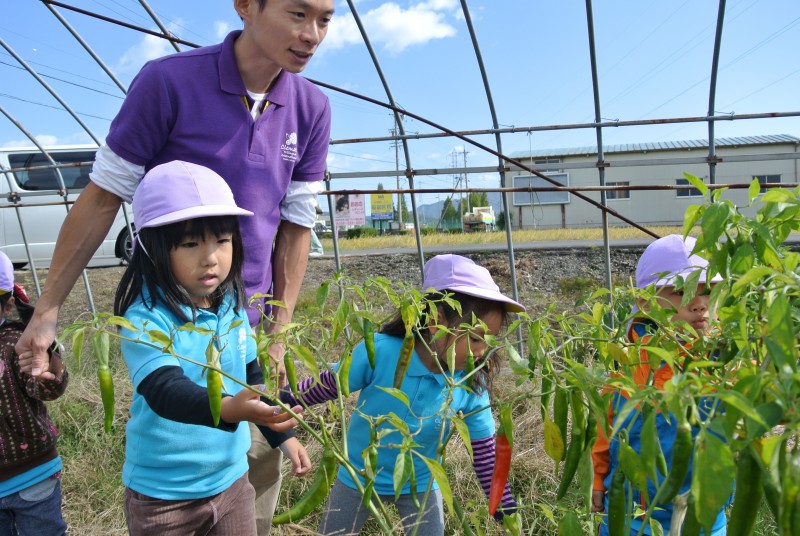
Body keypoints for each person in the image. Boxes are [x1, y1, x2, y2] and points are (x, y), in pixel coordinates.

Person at [17, 0, 335, 529]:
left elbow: (295, 227)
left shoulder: (311, 108)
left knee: (247, 491)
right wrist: (47, 307)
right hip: (175, 324)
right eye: (297, 14)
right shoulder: (168, 83)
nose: (312, 35)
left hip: (243, 331)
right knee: (179, 452)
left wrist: (278, 332)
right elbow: (103, 197)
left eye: (324, 19)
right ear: (247, 7)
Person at [114, 161, 309, 535]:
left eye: (222, 241)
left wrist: (281, 435)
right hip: (165, 496)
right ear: (153, 249)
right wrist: (228, 408)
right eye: (190, 244)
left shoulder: (232, 307)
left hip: (233, 480)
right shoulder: (146, 319)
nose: (211, 257)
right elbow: (165, 390)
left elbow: (251, 380)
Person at [280, 254, 524, 535]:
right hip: (358, 474)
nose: (482, 352)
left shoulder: (471, 381)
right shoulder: (382, 351)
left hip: (419, 483)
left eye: (488, 341)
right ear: (436, 322)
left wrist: (504, 507)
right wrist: (281, 400)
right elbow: (328, 384)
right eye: (475, 338)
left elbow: (485, 452)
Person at [591, 234, 726, 536]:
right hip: (633, 514)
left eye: (707, 292)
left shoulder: (728, 362)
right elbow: (605, 427)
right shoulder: (630, 365)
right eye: (681, 291)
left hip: (706, 511)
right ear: (645, 302)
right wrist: (599, 479)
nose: (699, 304)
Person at [0, 251, 68, 535]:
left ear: (7, 305)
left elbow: (43, 387)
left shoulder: (17, 344)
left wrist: (51, 368)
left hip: (32, 476)